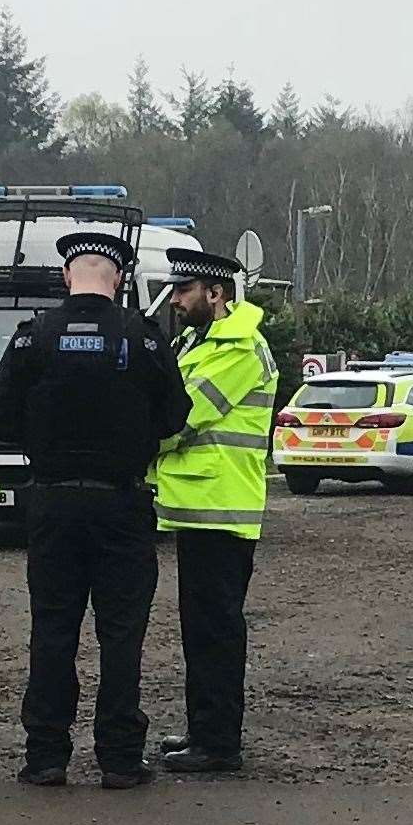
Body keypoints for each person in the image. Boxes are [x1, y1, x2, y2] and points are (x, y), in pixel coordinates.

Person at [0, 232, 189, 789]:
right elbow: (175, 417)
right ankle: (120, 758)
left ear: (67, 276)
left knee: (53, 629)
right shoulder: (142, 339)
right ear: (118, 279)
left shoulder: (34, 337)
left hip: (51, 501)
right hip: (121, 503)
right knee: (122, 634)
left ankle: (46, 755)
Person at [153, 248, 278, 773]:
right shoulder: (202, 341)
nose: (175, 301)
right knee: (201, 627)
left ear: (216, 294)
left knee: (216, 629)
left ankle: (219, 743)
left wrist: (124, 442)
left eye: (184, 291)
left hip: (221, 507)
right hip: (201, 505)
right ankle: (204, 730)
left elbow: (181, 419)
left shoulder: (238, 347)